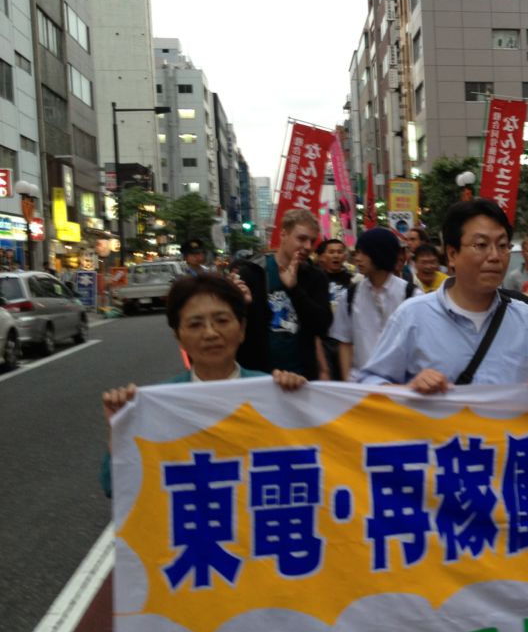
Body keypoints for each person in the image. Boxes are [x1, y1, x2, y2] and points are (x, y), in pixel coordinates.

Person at [100, 273, 307, 496]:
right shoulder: (159, 405)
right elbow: (114, 487)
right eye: (195, 324)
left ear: (242, 329)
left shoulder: (272, 391)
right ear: (178, 337)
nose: (210, 333)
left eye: (222, 321)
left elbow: (312, 467)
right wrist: (119, 431)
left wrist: (300, 401)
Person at [358, 198, 528, 392]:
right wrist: (410, 389)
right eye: (481, 245)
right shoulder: (412, 316)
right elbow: (370, 383)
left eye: (502, 246)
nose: (495, 256)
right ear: (452, 254)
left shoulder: (526, 319)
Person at [231, 208, 332, 380]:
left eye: (312, 241)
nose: (308, 247)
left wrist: (294, 289)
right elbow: (234, 326)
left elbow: (322, 326)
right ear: (284, 234)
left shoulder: (315, 277)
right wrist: (239, 302)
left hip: (301, 377)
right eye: (301, 239)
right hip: (258, 377)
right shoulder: (253, 272)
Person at [329, 227, 422, 381]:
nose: (357, 259)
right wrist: (347, 381)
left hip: (399, 386)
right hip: (361, 384)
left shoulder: (411, 295)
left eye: (362, 253)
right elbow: (344, 341)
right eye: (356, 253)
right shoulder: (351, 295)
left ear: (379, 254)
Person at [314, 238, 356, 381]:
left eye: (339, 252)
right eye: (331, 252)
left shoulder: (353, 281)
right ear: (321, 257)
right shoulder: (315, 280)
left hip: (346, 340)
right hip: (324, 341)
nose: (336, 255)